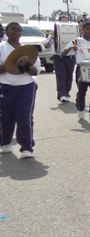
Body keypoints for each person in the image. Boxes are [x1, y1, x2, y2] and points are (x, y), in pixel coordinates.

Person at [0, 22, 41, 158]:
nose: (15, 32)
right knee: (6, 118)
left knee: (24, 117)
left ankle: (26, 148)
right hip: (5, 88)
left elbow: (36, 71)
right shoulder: (1, 48)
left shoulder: (28, 50)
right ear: (7, 32)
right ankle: (6, 143)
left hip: (25, 87)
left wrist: (26, 67)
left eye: (18, 30)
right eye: (12, 29)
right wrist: (9, 66)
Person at [65, 21, 90, 124]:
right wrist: (71, 49)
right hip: (82, 67)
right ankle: (81, 108)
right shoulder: (77, 41)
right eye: (87, 29)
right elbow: (64, 52)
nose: (89, 31)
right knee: (82, 91)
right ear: (82, 30)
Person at [52, 14, 76, 103]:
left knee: (69, 75)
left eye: (66, 21)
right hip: (58, 55)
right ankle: (61, 94)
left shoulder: (72, 30)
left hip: (70, 55)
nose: (64, 23)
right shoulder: (54, 31)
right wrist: (51, 39)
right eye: (62, 21)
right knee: (61, 75)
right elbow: (47, 42)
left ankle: (66, 93)